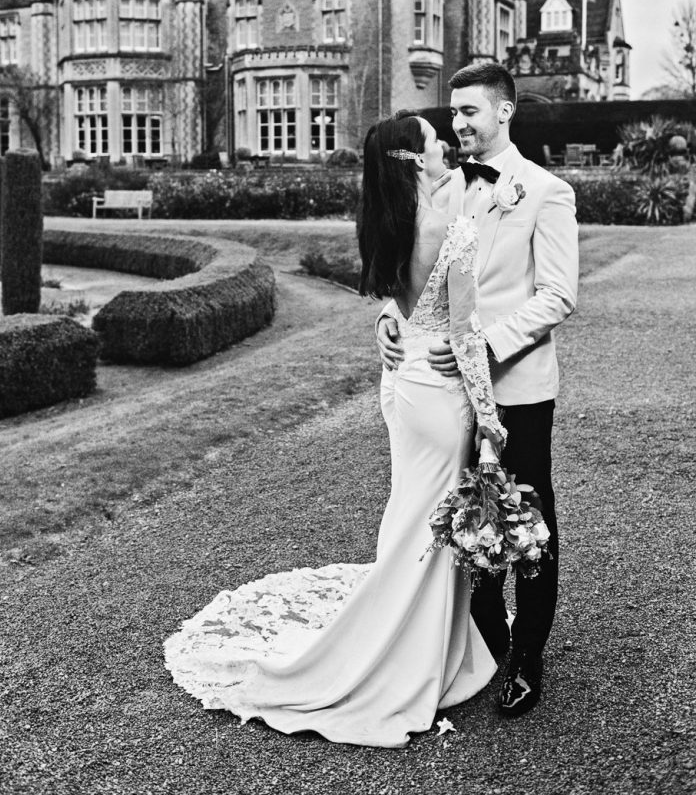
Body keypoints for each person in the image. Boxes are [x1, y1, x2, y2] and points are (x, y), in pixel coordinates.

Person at [164, 112, 508, 748]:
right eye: (434, 141)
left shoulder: (387, 219)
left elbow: (400, 299)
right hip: (439, 393)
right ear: (414, 159)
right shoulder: (449, 226)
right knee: (428, 526)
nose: (446, 144)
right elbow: (465, 335)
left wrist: (391, 322)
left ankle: (422, 643)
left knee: (412, 516)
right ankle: (399, 660)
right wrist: (490, 420)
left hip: (402, 382)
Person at [377, 62, 579, 717]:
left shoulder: (546, 191)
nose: (458, 122)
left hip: (517, 385)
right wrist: (388, 318)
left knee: (527, 518)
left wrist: (483, 347)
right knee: (469, 513)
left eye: (470, 110)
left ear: (504, 111)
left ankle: (528, 655)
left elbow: (558, 296)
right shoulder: (443, 186)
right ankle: (486, 637)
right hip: (449, 397)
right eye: (454, 111)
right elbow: (412, 269)